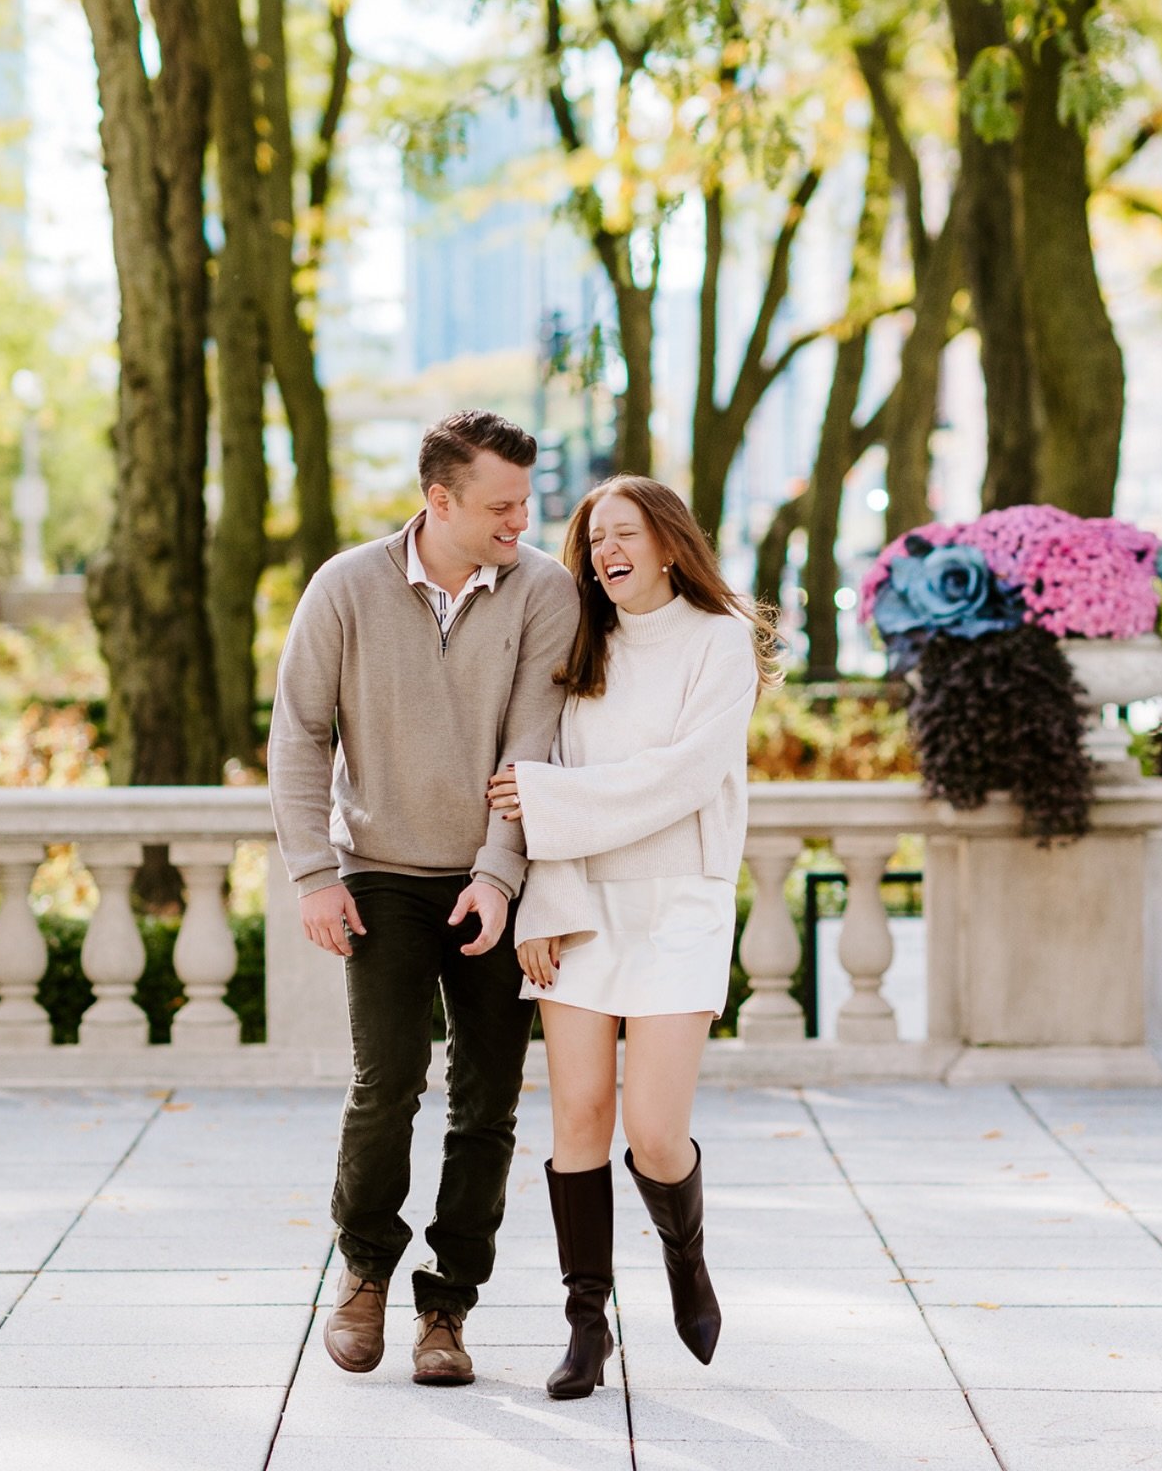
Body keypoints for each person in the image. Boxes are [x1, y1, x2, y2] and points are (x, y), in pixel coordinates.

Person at [267, 410, 580, 1388]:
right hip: (380, 872)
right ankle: (364, 1271)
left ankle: (448, 1307)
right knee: (388, 1078)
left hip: (496, 875)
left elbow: (531, 746)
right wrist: (315, 874)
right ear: (438, 501)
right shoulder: (345, 586)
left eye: (525, 502)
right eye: (500, 506)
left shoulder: (544, 590)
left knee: (487, 1099)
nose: (521, 521)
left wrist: (497, 872)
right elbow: (298, 734)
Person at [486, 476, 780, 1400]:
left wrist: (551, 799)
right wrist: (544, 904)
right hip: (578, 904)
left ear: (668, 543)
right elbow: (542, 770)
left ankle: (686, 1258)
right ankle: (587, 1323)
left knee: (655, 1133)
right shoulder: (578, 640)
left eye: (625, 533)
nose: (607, 551)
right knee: (578, 1115)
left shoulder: (719, 640)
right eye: (594, 537)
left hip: (681, 904)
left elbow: (684, 777)